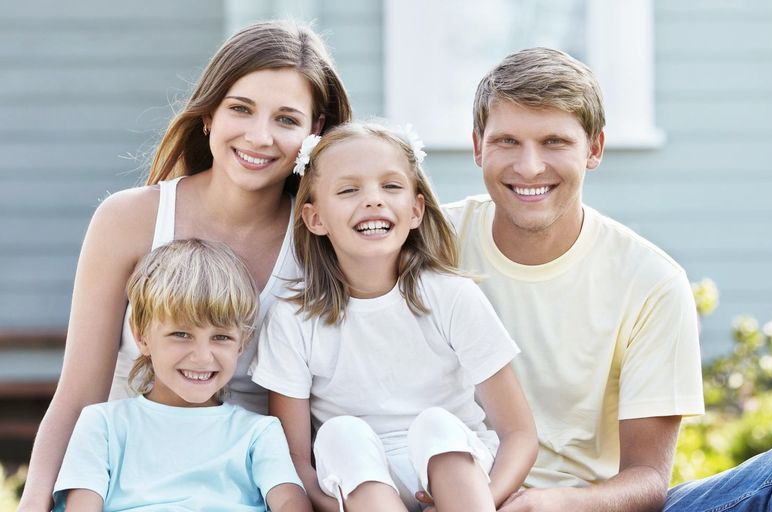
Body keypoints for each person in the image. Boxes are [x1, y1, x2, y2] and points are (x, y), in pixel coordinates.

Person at [439, 48, 772, 511]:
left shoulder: (650, 282)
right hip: (456, 500)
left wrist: (554, 505)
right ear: (477, 146)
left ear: (594, 149)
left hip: (588, 508)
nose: (528, 167)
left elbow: (647, 480)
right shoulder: (428, 246)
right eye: (507, 141)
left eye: (554, 142)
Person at [18, 20, 352, 511]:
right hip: (129, 485)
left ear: (314, 131)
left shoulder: (323, 236)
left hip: (252, 488)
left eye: (286, 119)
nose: (260, 137)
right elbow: (77, 396)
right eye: (241, 109)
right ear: (209, 115)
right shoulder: (129, 219)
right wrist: (33, 505)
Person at [250, 121, 538, 512]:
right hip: (360, 485)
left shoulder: (452, 296)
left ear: (416, 210)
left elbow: (519, 435)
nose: (373, 201)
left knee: (436, 426)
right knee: (340, 434)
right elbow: (296, 461)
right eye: (349, 190)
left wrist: (488, 498)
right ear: (315, 218)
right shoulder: (293, 319)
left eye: (391, 186)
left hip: (460, 480)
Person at [53, 239, 310, 511]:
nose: (202, 356)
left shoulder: (259, 433)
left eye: (221, 337)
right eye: (181, 334)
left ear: (242, 342)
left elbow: (289, 502)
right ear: (141, 335)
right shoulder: (102, 425)